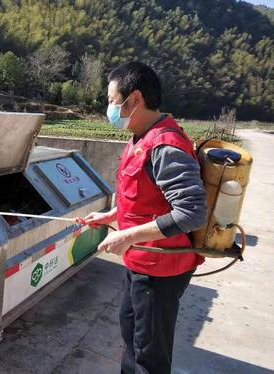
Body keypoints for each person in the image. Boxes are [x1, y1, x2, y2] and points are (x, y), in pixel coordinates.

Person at [81, 62, 207, 374]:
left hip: (160, 270)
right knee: (131, 336)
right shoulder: (141, 136)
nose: (109, 108)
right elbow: (145, 196)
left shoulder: (166, 144)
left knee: (149, 356)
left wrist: (126, 236)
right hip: (140, 261)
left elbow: (192, 211)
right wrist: (111, 214)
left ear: (134, 99)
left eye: (112, 100)